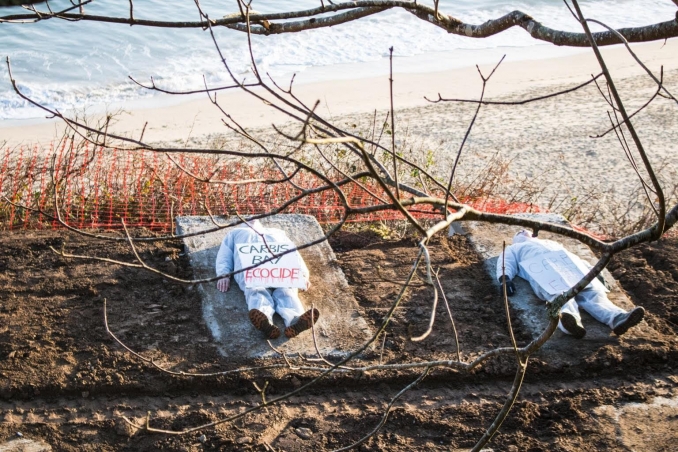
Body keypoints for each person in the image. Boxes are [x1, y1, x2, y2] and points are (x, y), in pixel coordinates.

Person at [496, 230, 645, 338]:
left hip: (572, 269)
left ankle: (617, 317)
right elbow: (505, 261)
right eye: (518, 232)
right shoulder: (515, 248)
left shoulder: (552, 243)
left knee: (594, 294)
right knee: (561, 297)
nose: (522, 231)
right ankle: (568, 321)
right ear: (515, 240)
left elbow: (575, 258)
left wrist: (596, 272)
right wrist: (504, 278)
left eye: (524, 230)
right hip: (544, 273)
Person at [215, 219, 319, 340]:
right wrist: (224, 274)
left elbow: (293, 252)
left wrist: (302, 274)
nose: (252, 218)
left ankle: (295, 321)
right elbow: (225, 254)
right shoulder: (236, 232)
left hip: (281, 270)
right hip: (252, 271)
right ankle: (265, 322)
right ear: (242, 222)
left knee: (287, 290)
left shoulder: (278, 232)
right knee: (256, 291)